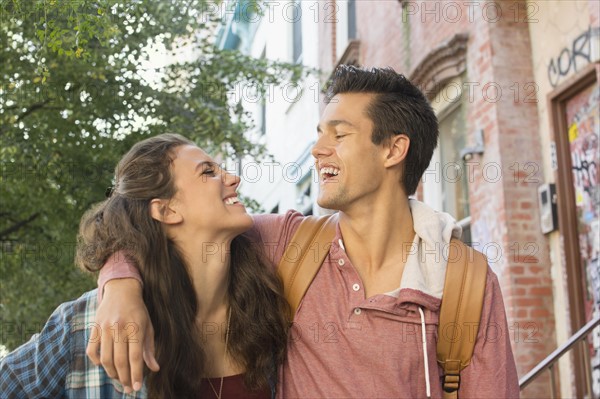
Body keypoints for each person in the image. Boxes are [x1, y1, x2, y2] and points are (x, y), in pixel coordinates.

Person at [92, 66, 520, 398]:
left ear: (393, 149)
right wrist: (121, 287)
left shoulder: (466, 282)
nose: (317, 150)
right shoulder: (288, 243)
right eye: (319, 134)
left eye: (339, 134)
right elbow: (157, 228)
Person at [0, 134, 289, 398]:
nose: (234, 178)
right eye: (208, 172)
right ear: (166, 210)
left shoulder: (271, 305)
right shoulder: (83, 327)